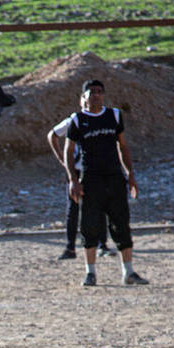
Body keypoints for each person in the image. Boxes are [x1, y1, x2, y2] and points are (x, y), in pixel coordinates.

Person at [63, 79, 145, 286]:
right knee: (89, 226)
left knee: (121, 224)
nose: (96, 95)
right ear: (84, 97)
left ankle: (129, 272)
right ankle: (90, 272)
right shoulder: (78, 120)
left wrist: (130, 174)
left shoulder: (114, 116)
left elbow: (123, 146)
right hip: (90, 179)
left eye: (100, 92)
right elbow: (68, 150)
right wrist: (73, 179)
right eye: (92, 92)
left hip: (114, 177)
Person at [47, 113, 110, 261]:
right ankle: (70, 248)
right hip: (75, 170)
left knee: (98, 207)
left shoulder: (101, 121)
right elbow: (52, 135)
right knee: (73, 208)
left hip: (94, 169)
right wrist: (61, 159)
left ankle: (102, 245)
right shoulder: (71, 122)